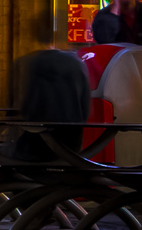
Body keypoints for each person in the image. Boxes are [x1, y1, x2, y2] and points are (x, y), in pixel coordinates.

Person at [12, 11, 92, 163]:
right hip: (72, 148)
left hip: (34, 149)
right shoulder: (78, 64)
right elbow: (85, 111)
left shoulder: (29, 63)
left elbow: (25, 109)